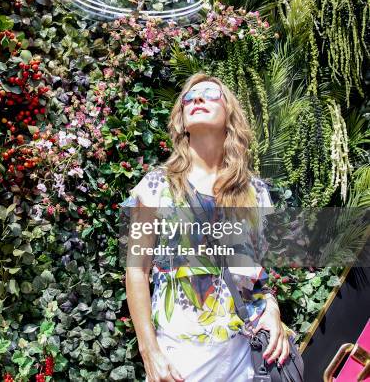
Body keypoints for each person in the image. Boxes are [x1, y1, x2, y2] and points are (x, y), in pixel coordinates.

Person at [122, 72, 294, 382]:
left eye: (209, 94)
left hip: (246, 355)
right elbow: (136, 271)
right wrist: (150, 353)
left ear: (229, 113)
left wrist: (271, 307)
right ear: (181, 119)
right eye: (189, 97)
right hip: (182, 359)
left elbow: (254, 273)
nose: (197, 99)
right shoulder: (154, 187)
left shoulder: (255, 191)